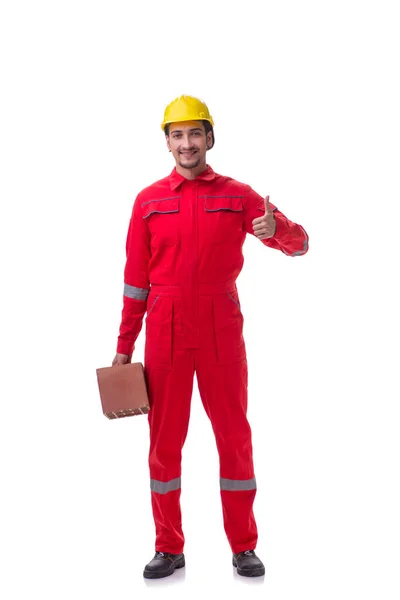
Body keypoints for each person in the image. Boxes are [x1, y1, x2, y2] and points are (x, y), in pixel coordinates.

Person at [112, 95, 309, 579]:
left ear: (209, 139)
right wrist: (123, 348)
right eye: (176, 135)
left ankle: (244, 546)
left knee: (235, 438)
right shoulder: (148, 201)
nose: (186, 143)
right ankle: (168, 546)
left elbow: (300, 244)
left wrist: (274, 227)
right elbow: (135, 281)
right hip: (166, 331)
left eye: (194, 134)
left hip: (222, 328)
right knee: (164, 443)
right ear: (167, 142)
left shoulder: (240, 195)